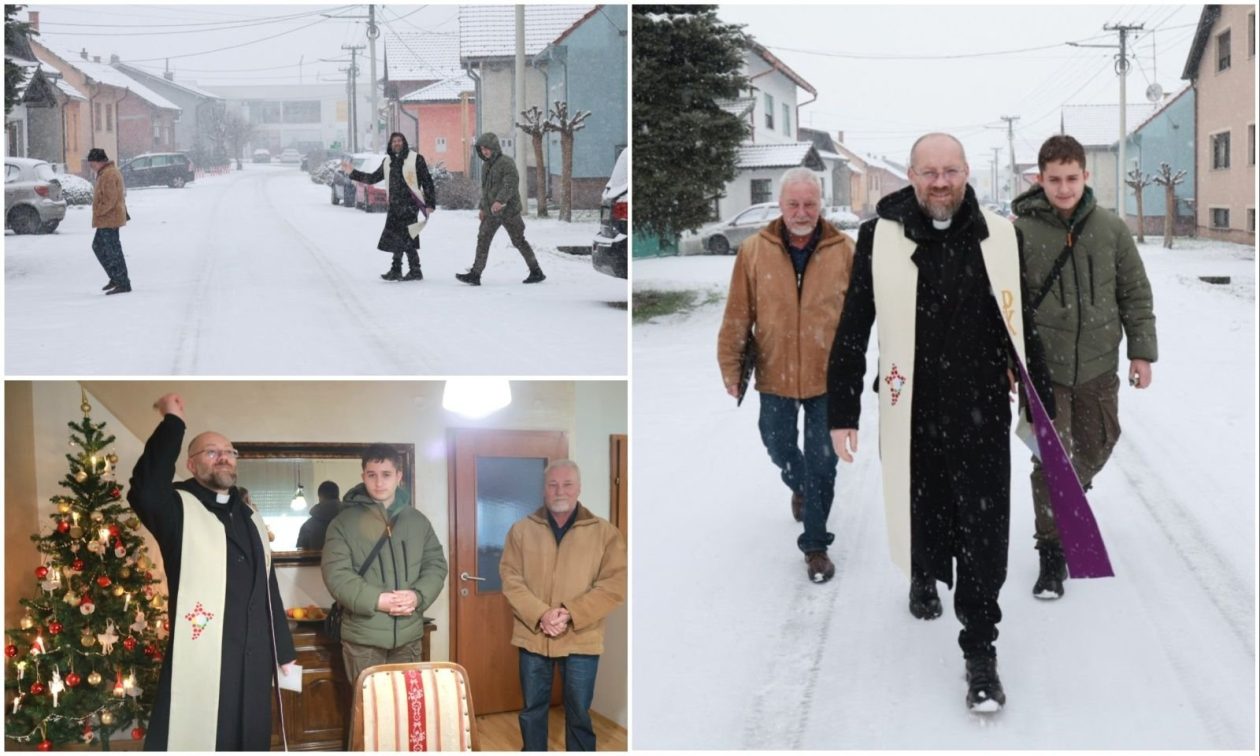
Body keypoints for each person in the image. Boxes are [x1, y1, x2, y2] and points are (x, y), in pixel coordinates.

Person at [827, 133, 1055, 712]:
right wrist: (842, 410)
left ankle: (980, 649)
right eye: (928, 172)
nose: (940, 182)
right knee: (924, 515)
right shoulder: (880, 237)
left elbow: (1022, 325)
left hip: (981, 410)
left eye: (950, 170)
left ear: (966, 171)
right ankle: (923, 572)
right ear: (911, 174)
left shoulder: (1000, 236)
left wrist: (1040, 406)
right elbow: (854, 326)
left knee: (983, 533)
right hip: (912, 410)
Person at [1012, 134, 1157, 600]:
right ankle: (1051, 552)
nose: (1064, 188)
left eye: (1071, 178)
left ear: (1085, 176)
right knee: (1049, 461)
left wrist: (1141, 351)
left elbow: (1134, 293)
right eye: (1054, 179)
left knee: (1098, 443)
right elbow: (1004, 305)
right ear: (1040, 179)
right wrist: (1008, 362)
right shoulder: (1020, 232)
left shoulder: (1111, 229)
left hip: (1098, 365)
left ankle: (1070, 494)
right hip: (1044, 371)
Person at [127, 393, 296, 750]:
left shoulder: (250, 514)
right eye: (211, 452)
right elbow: (145, 488)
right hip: (206, 656)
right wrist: (173, 421)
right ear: (191, 465)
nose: (224, 457)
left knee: (251, 738)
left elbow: (268, 586)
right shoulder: (177, 510)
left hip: (254, 655)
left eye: (229, 452)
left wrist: (283, 649)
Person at [716, 167, 856, 583]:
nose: (802, 212)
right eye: (793, 204)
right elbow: (738, 313)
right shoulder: (754, 251)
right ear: (780, 205)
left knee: (823, 462)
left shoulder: (844, 251)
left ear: (820, 205)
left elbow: (859, 318)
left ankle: (815, 545)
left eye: (809, 204)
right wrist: (731, 366)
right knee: (778, 445)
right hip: (775, 373)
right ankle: (802, 487)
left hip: (827, 377)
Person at [500, 460, 626, 751]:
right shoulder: (521, 530)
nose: (560, 491)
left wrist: (570, 613)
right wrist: (541, 614)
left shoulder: (605, 533)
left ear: (579, 488)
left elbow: (613, 585)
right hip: (533, 635)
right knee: (532, 709)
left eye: (567, 484)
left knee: (579, 711)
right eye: (553, 484)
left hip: (582, 637)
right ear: (544, 489)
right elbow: (510, 578)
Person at [321, 444, 447, 688]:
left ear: (399, 476)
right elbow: (336, 574)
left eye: (386, 474)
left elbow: (436, 565)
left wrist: (417, 596)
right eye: (372, 475)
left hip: (409, 637)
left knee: (407, 706)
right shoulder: (342, 523)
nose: (379, 482)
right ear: (363, 476)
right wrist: (378, 600)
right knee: (369, 709)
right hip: (364, 640)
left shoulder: (418, 521)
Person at [342, 132, 436, 282]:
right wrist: (353, 172)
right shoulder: (387, 161)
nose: (397, 143)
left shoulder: (416, 159)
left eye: (399, 141)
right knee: (397, 237)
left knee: (407, 237)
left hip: (410, 204)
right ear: (390, 145)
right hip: (394, 205)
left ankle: (414, 270)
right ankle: (397, 269)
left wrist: (430, 203)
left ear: (404, 143)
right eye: (394, 141)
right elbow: (373, 178)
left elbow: (427, 181)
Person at [455, 132, 546, 286]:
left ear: (494, 147)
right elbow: (486, 190)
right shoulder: (486, 166)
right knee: (483, 238)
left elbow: (510, 184)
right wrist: (483, 208)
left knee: (518, 241)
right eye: (482, 149)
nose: (484, 151)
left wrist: (500, 200)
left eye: (487, 148)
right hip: (492, 212)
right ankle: (475, 274)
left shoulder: (506, 163)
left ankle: (536, 271)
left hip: (509, 211)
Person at [86, 147, 131, 294]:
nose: (91, 167)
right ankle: (116, 278)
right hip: (107, 219)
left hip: (109, 219)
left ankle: (122, 282)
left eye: (92, 164)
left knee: (112, 250)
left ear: (99, 161)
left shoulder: (109, 174)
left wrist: (98, 211)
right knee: (101, 247)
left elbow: (110, 199)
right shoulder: (105, 173)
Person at [296, 480, 342, 550]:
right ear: (338, 496)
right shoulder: (351, 522)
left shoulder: (307, 526)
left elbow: (300, 554)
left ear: (320, 497)